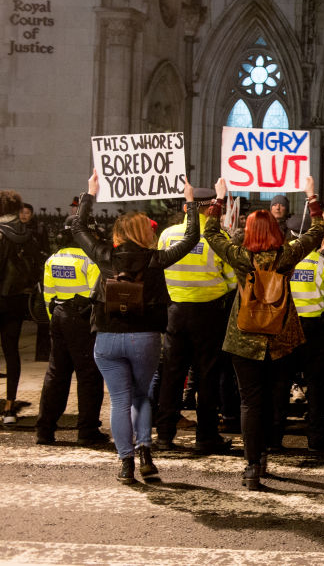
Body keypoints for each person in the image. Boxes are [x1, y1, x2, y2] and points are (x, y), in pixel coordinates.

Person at [73, 169, 199, 484]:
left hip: (108, 337)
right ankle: (145, 453)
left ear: (118, 233)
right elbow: (191, 238)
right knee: (141, 397)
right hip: (144, 337)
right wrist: (190, 203)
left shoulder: (104, 255)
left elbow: (78, 227)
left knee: (119, 400)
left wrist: (90, 193)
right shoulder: (156, 259)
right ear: (146, 233)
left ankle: (126, 463)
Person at [204, 176, 324, 490]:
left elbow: (210, 233)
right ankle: (266, 453)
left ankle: (251, 465)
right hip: (280, 337)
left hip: (244, 339)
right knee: (274, 400)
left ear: (248, 232)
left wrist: (218, 199)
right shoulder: (286, 255)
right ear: (274, 230)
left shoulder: (241, 256)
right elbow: (317, 231)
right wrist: (311, 197)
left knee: (250, 403)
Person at [154, 188, 236, 454]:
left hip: (175, 311)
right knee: (207, 375)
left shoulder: (167, 234)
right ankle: (206, 436)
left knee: (172, 374)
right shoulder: (217, 236)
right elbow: (232, 278)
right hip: (208, 312)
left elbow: (159, 269)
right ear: (210, 208)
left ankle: (164, 434)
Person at [36, 217, 106, 446]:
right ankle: (87, 431)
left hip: (58, 316)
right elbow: (96, 296)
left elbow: (48, 295)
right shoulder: (90, 259)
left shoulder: (53, 258)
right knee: (89, 375)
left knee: (56, 374)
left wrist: (55, 321)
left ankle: (45, 430)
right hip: (82, 319)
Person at [287, 212, 324, 451]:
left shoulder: (280, 259)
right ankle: (315, 437)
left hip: (284, 327)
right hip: (312, 328)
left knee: (280, 382)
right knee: (315, 383)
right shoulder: (320, 263)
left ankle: (273, 436)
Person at [0, 189, 43, 424]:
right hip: (16, 301)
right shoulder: (28, 235)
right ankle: (9, 407)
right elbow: (36, 268)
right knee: (11, 352)